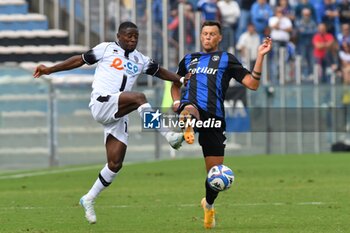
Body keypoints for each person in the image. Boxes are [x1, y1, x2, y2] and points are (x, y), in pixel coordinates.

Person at [33, 21, 187, 224]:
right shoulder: (106, 48)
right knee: (140, 97)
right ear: (119, 36)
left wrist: (182, 80)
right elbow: (79, 60)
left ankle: (88, 199)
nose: (132, 39)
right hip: (102, 102)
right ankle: (168, 135)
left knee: (115, 163)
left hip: (118, 112)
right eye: (129, 35)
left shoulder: (141, 59)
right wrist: (50, 70)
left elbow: (160, 72)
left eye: (136, 36)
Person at [171, 21, 272, 229]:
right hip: (191, 106)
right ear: (200, 36)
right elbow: (175, 83)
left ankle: (208, 205)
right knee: (189, 109)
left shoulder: (226, 59)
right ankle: (187, 123)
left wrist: (260, 56)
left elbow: (252, 84)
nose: (207, 37)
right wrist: (176, 100)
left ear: (219, 38)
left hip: (214, 117)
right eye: (205, 33)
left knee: (214, 175)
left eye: (212, 34)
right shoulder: (188, 60)